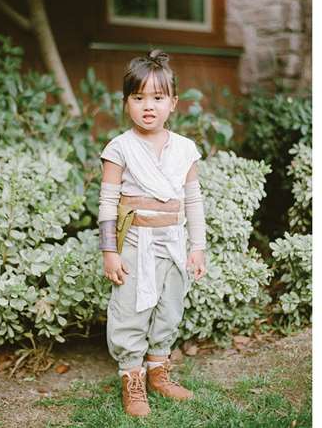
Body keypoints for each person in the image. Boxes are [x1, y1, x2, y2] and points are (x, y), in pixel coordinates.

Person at [97, 50, 206, 417]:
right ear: (126, 102)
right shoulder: (120, 148)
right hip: (133, 244)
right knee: (130, 310)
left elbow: (193, 201)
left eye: (158, 98)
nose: (148, 106)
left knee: (169, 309)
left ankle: (159, 370)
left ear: (173, 103)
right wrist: (109, 251)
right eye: (138, 97)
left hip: (173, 243)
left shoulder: (185, 150)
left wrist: (197, 247)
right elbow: (108, 202)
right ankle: (133, 377)